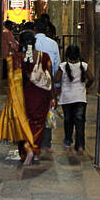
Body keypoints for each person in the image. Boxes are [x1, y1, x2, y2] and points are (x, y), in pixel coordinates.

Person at [0, 29, 52, 166]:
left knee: (23, 122)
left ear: (21, 42)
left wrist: (11, 51)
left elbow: (10, 75)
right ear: (34, 43)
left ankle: (26, 150)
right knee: (38, 123)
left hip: (23, 96)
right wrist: (53, 97)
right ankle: (34, 149)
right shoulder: (44, 57)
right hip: (41, 97)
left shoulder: (18, 58)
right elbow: (49, 77)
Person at [32, 17, 62, 157]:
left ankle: (33, 139)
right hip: (48, 82)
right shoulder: (53, 44)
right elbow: (56, 65)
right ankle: (46, 141)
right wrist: (56, 85)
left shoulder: (31, 42)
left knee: (33, 111)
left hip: (33, 83)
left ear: (35, 29)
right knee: (48, 111)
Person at [58, 43, 93, 154]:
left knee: (68, 121)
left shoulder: (63, 66)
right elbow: (91, 78)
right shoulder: (84, 65)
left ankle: (68, 142)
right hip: (80, 97)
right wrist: (85, 87)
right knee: (80, 122)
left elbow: (55, 79)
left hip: (67, 98)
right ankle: (80, 146)